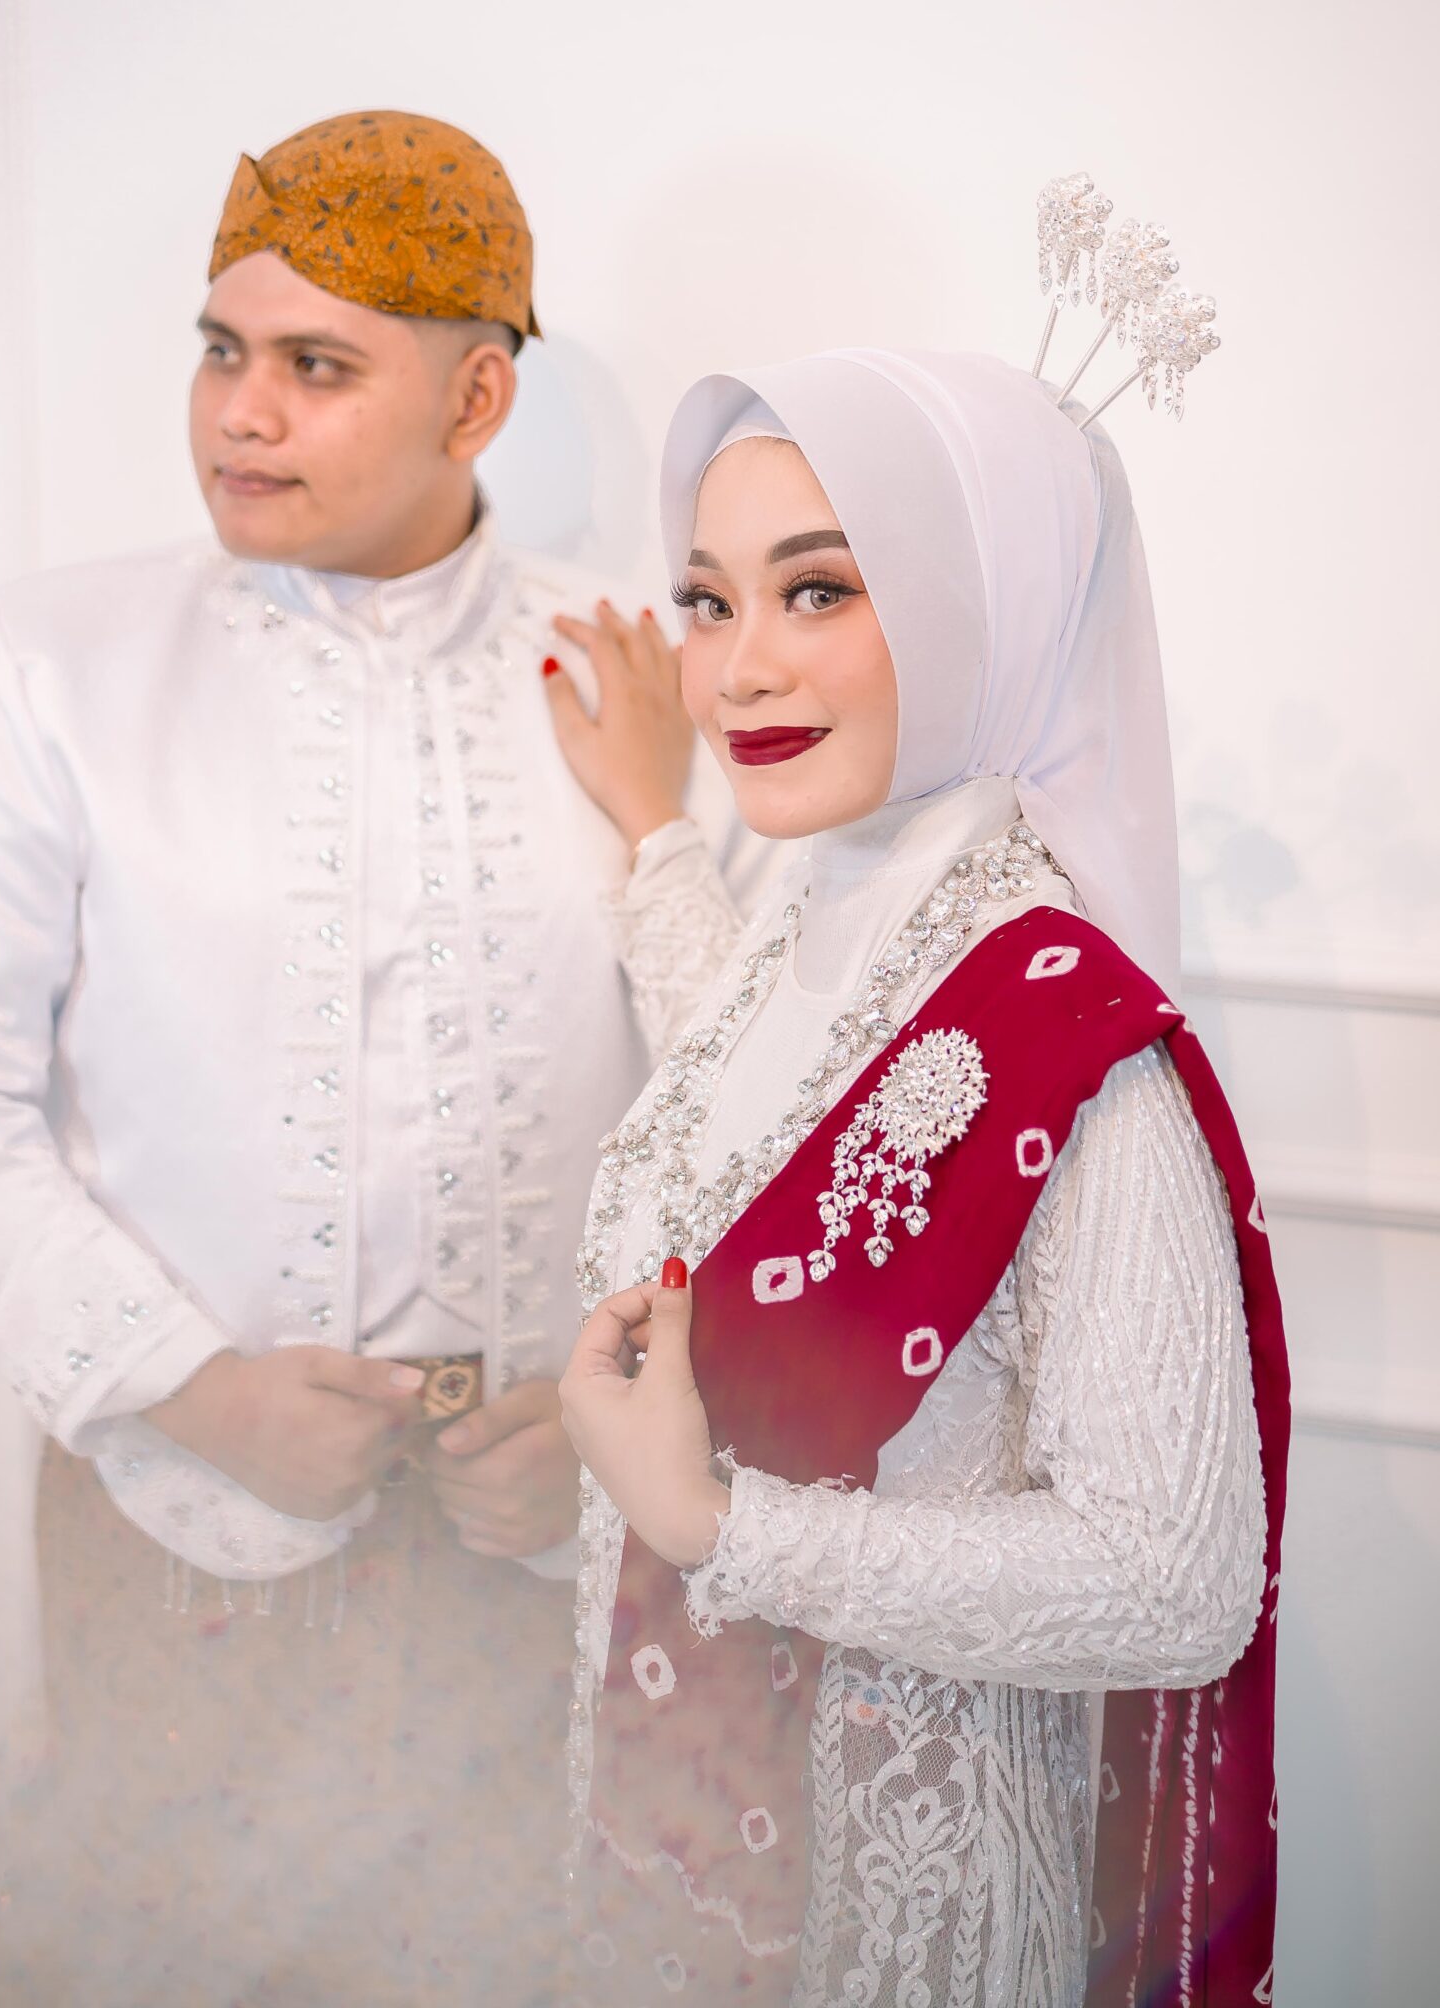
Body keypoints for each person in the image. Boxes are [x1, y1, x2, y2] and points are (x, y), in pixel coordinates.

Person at [0, 109, 761, 2008]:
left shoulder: (635, 674)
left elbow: (748, 1124)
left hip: (550, 1561)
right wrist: (192, 1392)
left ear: (477, 398)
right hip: (180, 1530)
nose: (238, 414)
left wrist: (609, 1446)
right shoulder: (62, 662)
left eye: (315, 367)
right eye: (220, 351)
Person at [552, 347, 1288, 2008]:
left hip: (901, 1916)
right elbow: (760, 1123)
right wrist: (655, 832)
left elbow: (1179, 1582)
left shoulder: (1075, 1039)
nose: (738, 670)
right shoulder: (825, 913)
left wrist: (719, 1526)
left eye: (818, 590)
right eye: (709, 601)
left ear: (986, 610)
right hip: (671, 1815)